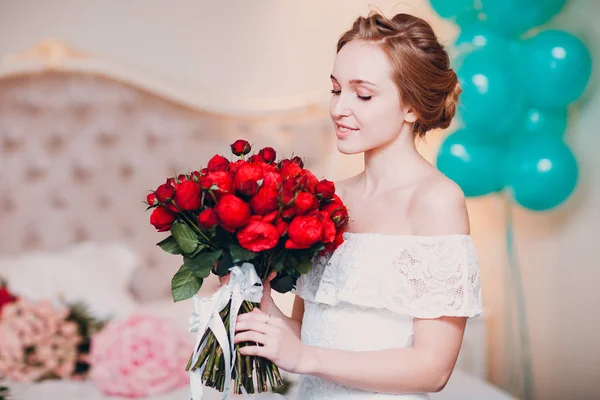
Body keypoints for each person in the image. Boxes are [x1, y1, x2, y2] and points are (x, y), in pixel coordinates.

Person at [228, 11, 483, 399]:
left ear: (411, 107)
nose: (338, 108)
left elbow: (433, 369)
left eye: (362, 94)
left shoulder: (436, 200)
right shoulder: (328, 198)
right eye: (335, 89)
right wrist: (256, 298)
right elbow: (312, 337)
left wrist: (304, 356)